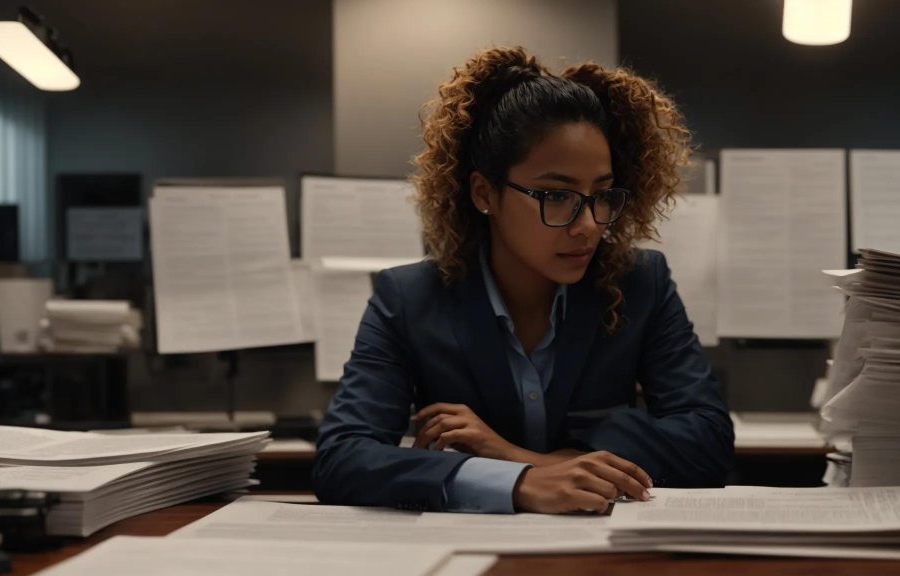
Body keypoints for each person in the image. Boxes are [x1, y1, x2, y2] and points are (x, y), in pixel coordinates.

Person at [313, 46, 733, 514]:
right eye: (557, 196)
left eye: (601, 195)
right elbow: (343, 459)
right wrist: (519, 484)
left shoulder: (639, 282)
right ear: (484, 193)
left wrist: (517, 458)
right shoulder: (410, 298)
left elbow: (707, 441)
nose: (588, 225)